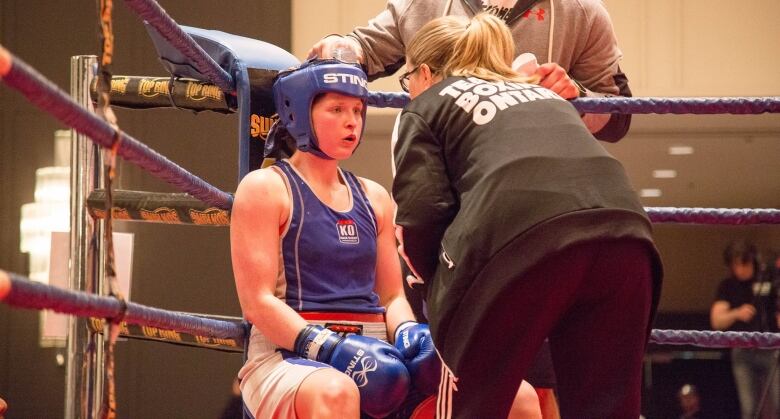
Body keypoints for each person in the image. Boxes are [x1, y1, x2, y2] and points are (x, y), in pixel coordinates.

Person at [230, 58, 540, 418]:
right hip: (289, 354)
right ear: (299, 112)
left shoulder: (373, 196)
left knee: (518, 395)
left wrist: (408, 331)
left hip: (377, 358)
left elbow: (392, 294)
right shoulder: (265, 189)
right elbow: (257, 302)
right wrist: (328, 348)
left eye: (358, 110)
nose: (352, 121)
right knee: (336, 392)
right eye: (336, 109)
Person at [391, 13, 662, 419]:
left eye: (406, 79)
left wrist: (441, 298)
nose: (408, 90)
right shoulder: (544, 95)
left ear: (424, 73)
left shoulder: (427, 105)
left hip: (522, 241)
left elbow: (422, 217)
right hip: (627, 234)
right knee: (608, 410)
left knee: (470, 407)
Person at [309, 0, 632, 143]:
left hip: (534, 184)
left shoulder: (583, 11)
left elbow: (618, 116)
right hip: (447, 182)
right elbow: (361, 51)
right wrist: (336, 48)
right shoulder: (422, 3)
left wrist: (575, 99)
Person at [710, 240, 780, 419]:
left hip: (771, 349)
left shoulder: (770, 278)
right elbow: (717, 321)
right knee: (749, 410)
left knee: (778, 404)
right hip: (743, 353)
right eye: (735, 264)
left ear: (753, 261)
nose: (740, 269)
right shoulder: (728, 286)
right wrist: (736, 313)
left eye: (744, 263)